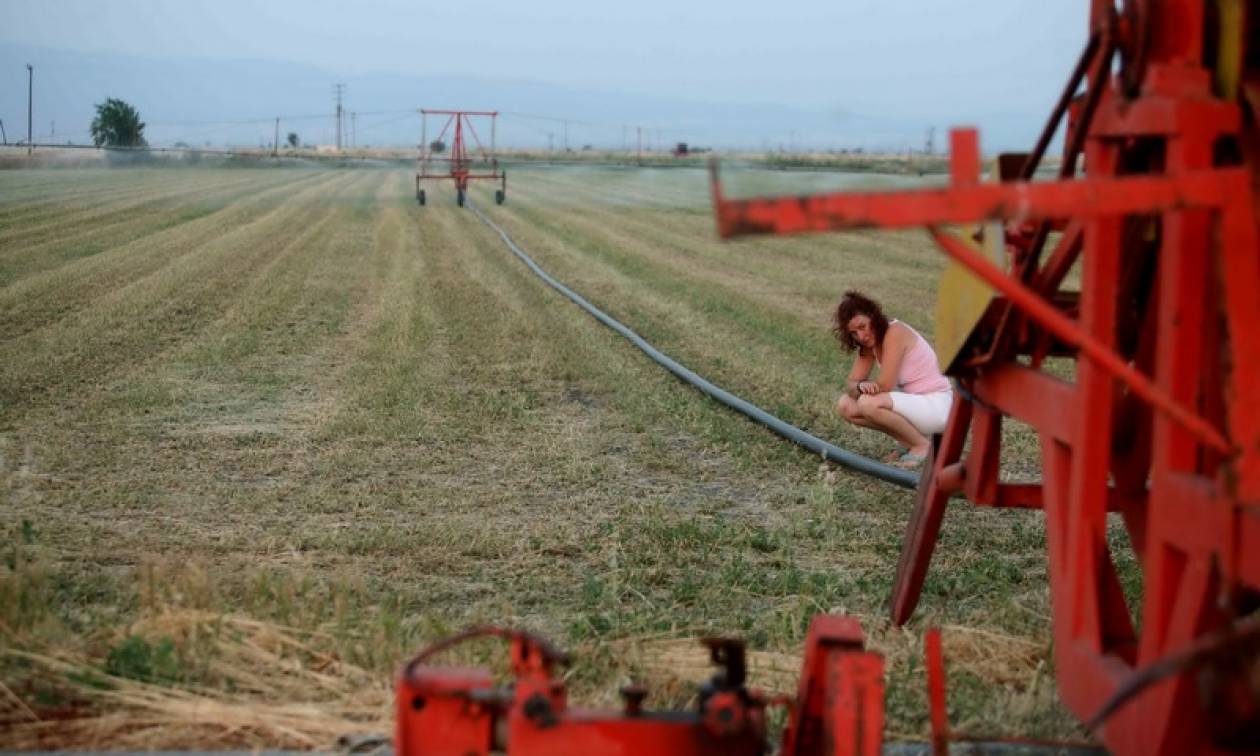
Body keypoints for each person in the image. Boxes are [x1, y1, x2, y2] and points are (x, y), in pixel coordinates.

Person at [832, 290, 953, 469]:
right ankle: (907, 441)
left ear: (874, 316)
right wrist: (860, 385)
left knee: (868, 403)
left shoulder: (895, 332)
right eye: (853, 333)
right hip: (916, 406)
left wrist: (862, 388)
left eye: (863, 326)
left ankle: (922, 446)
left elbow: (885, 385)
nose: (861, 336)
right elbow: (851, 385)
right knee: (845, 405)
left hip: (938, 406)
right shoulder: (868, 345)